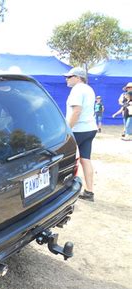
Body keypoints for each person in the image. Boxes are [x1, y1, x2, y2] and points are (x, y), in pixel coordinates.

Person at [63, 67, 97, 202]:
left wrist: (67, 130)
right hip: (90, 128)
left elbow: (76, 111)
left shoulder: (77, 89)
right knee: (85, 159)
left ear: (78, 77)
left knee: (65, 159)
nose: (67, 79)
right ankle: (89, 191)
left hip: (78, 129)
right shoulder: (89, 89)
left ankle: (64, 190)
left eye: (69, 76)